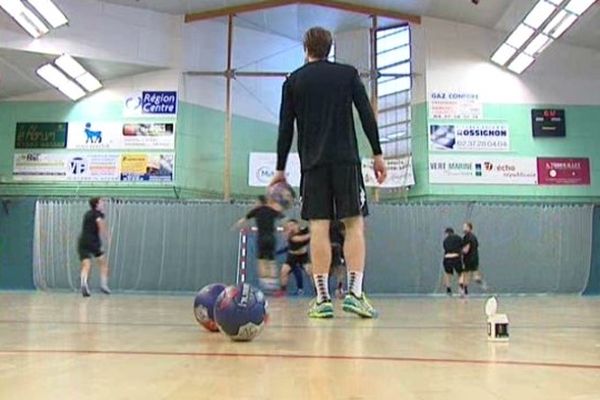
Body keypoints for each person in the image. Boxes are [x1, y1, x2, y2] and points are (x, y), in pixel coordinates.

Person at [272, 26, 387, 319]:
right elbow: (365, 114)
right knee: (353, 225)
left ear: (305, 49)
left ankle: (323, 299)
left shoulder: (293, 81)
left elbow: (286, 127)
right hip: (346, 162)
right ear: (329, 48)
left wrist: (280, 169)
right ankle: (355, 294)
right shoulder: (347, 74)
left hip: (313, 165)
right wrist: (377, 153)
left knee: (319, 228)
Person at [235, 196, 284, 292]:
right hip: (271, 238)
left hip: (262, 238)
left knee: (261, 261)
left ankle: (265, 284)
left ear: (259, 202)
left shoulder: (256, 211)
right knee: (271, 261)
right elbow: (284, 218)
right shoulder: (272, 210)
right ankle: (273, 284)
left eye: (256, 202)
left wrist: (236, 226)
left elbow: (243, 220)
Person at [78, 197, 110, 297]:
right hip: (93, 242)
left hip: (82, 241)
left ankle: (83, 283)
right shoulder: (97, 214)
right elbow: (99, 223)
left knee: (86, 264)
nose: (103, 204)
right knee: (103, 263)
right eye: (101, 202)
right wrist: (107, 235)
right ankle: (104, 285)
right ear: (96, 204)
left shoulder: (87, 214)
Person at [280, 219, 312, 295]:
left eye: (292, 225)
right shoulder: (290, 236)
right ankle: (282, 290)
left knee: (310, 271)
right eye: (289, 226)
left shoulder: (304, 231)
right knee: (284, 271)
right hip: (292, 257)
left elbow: (311, 227)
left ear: (297, 225)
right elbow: (302, 239)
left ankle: (318, 291)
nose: (290, 227)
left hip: (303, 256)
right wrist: (312, 234)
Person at [461, 221, 485, 296]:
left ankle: (465, 291)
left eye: (465, 227)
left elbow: (466, 249)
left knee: (466, 275)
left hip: (468, 259)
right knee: (474, 274)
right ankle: (480, 281)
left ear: (469, 228)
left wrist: (459, 251)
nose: (463, 228)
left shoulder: (467, 237)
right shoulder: (474, 237)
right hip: (475, 258)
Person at [442, 227, 463, 296]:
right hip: (456, 257)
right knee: (460, 273)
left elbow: (445, 249)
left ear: (447, 233)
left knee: (448, 274)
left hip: (447, 258)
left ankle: (448, 289)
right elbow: (462, 247)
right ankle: (460, 287)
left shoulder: (445, 241)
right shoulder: (458, 238)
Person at [330, 220, 346, 299]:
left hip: (336, 247)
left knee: (338, 269)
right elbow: (345, 234)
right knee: (339, 269)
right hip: (335, 247)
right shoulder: (338, 222)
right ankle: (339, 289)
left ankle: (339, 289)